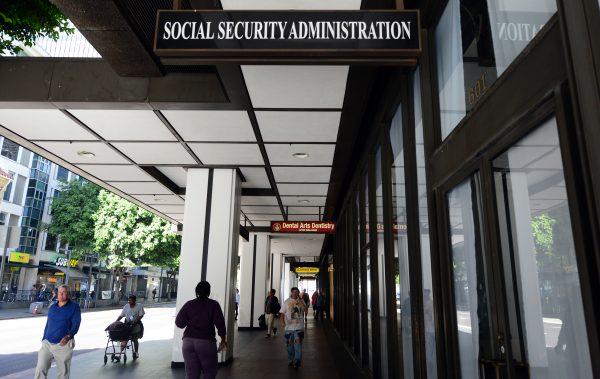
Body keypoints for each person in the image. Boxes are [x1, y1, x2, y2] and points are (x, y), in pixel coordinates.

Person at [175, 281, 227, 379]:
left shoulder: (189, 304)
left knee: (191, 375)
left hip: (188, 342)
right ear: (209, 292)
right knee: (209, 373)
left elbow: (179, 323)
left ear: (196, 291)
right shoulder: (213, 304)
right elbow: (220, 324)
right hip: (206, 342)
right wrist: (223, 339)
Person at [35, 285, 81, 379]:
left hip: (63, 344)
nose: (61, 294)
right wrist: (44, 338)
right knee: (40, 369)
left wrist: (68, 336)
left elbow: (76, 324)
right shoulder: (53, 307)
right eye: (60, 292)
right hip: (47, 343)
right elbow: (48, 324)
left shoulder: (74, 307)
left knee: (63, 373)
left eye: (64, 292)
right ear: (57, 294)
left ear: (68, 294)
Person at [280, 287, 307, 369]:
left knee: (298, 345)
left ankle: (297, 361)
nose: (295, 294)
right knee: (289, 346)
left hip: (299, 327)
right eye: (294, 292)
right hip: (289, 328)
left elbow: (306, 311)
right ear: (291, 293)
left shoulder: (301, 301)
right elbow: (282, 313)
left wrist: (301, 303)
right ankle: (290, 359)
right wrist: (283, 323)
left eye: (297, 292)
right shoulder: (286, 302)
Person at [115, 295, 145, 359]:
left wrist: (136, 320)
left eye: (131, 300)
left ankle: (136, 352)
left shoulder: (139, 306)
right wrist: (116, 321)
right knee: (124, 338)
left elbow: (141, 315)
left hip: (136, 324)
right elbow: (122, 315)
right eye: (129, 300)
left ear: (134, 301)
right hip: (127, 324)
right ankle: (119, 354)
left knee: (134, 339)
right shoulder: (126, 306)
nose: (129, 301)